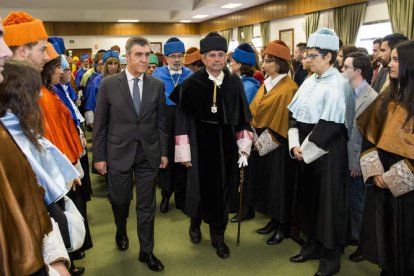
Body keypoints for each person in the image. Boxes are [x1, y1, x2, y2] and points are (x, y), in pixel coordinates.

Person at [169, 32, 253, 259]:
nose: (217, 59)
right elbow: (181, 121)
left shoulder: (234, 82)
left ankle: (218, 236)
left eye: (221, 55)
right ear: (203, 58)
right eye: (212, 55)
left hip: (226, 148)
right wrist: (183, 152)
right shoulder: (191, 84)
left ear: (226, 57)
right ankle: (195, 225)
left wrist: (244, 147)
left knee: (222, 192)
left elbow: (243, 117)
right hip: (198, 145)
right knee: (197, 190)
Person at [93, 36, 167, 272]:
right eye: (139, 55)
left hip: (148, 153)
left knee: (147, 206)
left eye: (147, 55)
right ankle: (121, 229)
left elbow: (161, 123)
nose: (145, 59)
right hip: (118, 153)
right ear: (127, 57)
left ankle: (147, 251)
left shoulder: (157, 85)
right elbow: (100, 125)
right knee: (120, 200)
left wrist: (163, 152)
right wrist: (99, 157)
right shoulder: (109, 84)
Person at [287, 28, 355, 276]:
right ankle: (312, 245)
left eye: (313, 55)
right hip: (304, 151)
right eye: (307, 54)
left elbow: (331, 126)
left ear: (329, 57)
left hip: (327, 153)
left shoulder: (340, 84)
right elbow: (293, 115)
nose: (308, 59)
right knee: (309, 202)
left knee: (328, 206)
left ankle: (330, 258)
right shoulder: (309, 80)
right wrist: (295, 143)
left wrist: (304, 151)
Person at [357, 40, 414, 276]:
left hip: (408, 182)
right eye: (391, 58)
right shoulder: (387, 97)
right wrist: (376, 172)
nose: (389, 63)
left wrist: (395, 177)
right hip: (381, 177)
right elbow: (369, 137)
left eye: (397, 59)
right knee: (384, 233)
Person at [247, 40, 298, 245]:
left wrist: (264, 142)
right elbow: (256, 109)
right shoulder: (267, 83)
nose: (263, 64)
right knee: (268, 185)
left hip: (278, 143)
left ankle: (282, 226)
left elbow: (285, 120)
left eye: (267, 61)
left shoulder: (288, 87)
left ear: (278, 63)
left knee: (279, 186)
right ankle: (272, 220)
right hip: (261, 138)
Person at [341, 51, 377, 262]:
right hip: (343, 157)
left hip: (357, 161)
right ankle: (351, 236)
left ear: (357, 71)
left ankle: (362, 243)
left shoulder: (371, 98)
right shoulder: (347, 91)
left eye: (346, 67)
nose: (342, 70)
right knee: (348, 200)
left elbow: (366, 136)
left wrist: (357, 163)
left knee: (358, 203)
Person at [152, 37, 192, 213]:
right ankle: (166, 194)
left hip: (184, 119)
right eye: (173, 56)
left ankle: (182, 197)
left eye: (180, 56)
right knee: (166, 157)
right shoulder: (157, 75)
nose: (177, 60)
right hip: (165, 120)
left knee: (183, 156)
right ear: (166, 58)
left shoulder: (190, 75)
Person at [85, 50, 121, 128]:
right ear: (105, 65)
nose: (113, 67)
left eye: (116, 63)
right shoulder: (97, 81)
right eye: (110, 63)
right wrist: (91, 121)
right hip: (102, 119)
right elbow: (90, 103)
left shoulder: (123, 80)